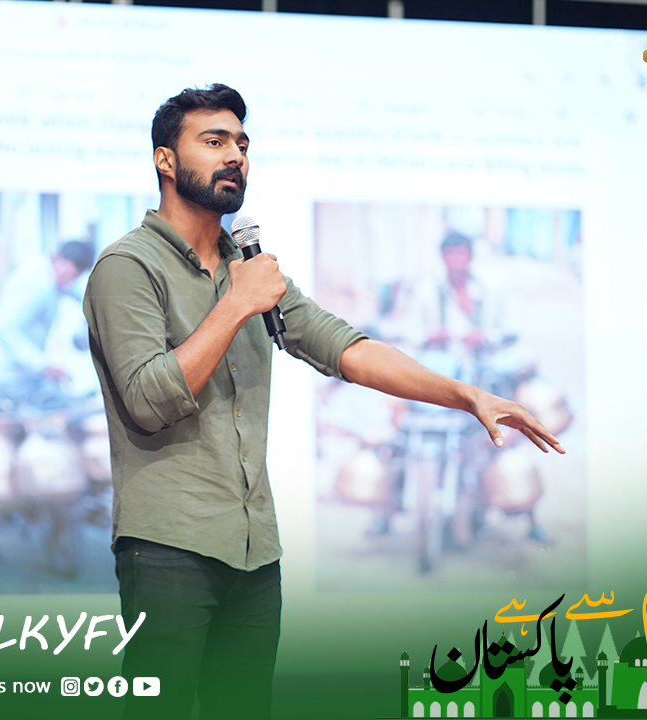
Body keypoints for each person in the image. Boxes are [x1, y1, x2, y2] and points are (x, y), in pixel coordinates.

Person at [82, 84, 564, 720]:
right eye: (214, 141)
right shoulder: (128, 267)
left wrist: (465, 395)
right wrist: (236, 304)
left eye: (242, 144)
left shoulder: (250, 270)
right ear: (164, 160)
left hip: (255, 550)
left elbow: (346, 347)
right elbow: (148, 399)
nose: (235, 156)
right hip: (168, 547)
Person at [0, 240, 95, 409]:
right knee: (63, 406)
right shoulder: (39, 284)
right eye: (67, 275)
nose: (67, 281)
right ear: (59, 258)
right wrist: (43, 366)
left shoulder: (46, 272)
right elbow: (4, 330)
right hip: (1, 375)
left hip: (5, 371)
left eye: (73, 278)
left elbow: (71, 291)